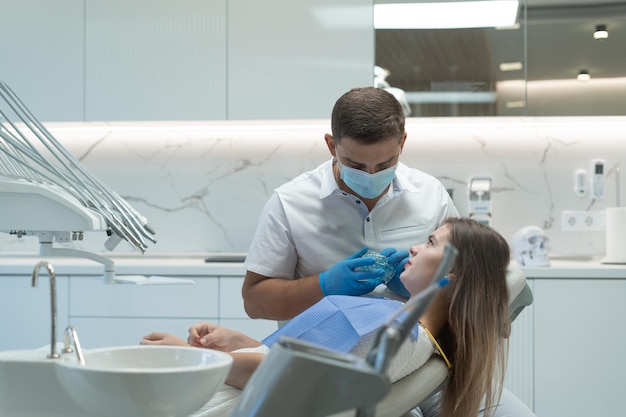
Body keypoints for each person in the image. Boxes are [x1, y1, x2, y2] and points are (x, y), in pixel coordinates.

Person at [141, 218, 511, 417]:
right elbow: (309, 363)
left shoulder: (399, 337)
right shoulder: (401, 326)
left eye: (431, 243)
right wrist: (241, 343)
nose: (414, 246)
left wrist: (194, 360)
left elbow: (290, 385)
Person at [242, 86, 458, 323]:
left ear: (402, 143)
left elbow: (469, 286)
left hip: (407, 349)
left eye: (385, 164)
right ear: (332, 146)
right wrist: (323, 286)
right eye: (356, 166)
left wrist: (419, 286)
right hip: (320, 350)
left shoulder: (432, 195)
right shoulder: (289, 203)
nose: (371, 175)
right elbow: (254, 302)